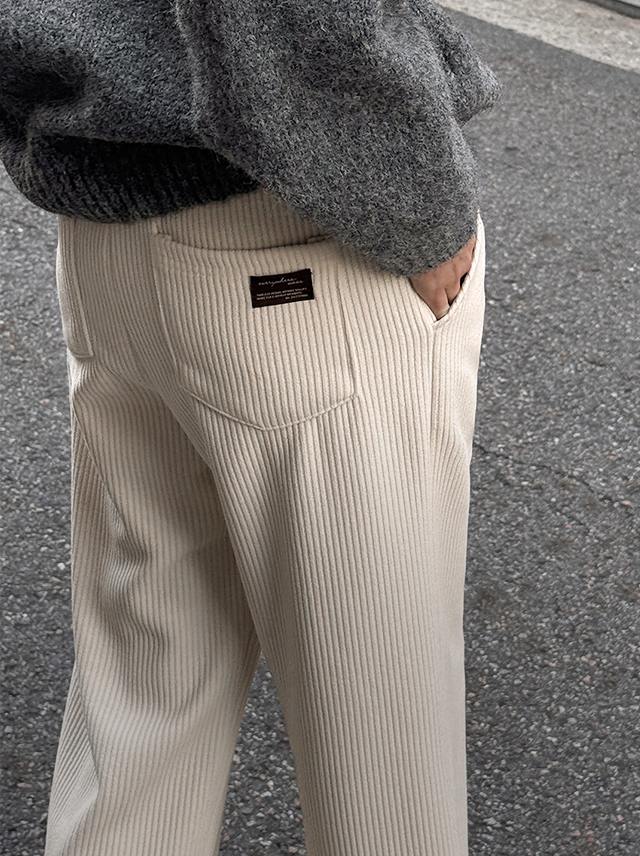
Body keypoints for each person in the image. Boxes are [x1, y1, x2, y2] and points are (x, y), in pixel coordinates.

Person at [1, 2, 500, 854]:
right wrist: (421, 209)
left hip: (109, 220)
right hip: (298, 226)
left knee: (144, 695)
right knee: (383, 744)